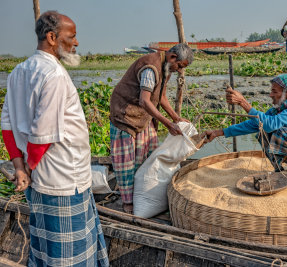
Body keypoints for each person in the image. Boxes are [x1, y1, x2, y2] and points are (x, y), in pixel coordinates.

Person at [1, 11, 109, 266]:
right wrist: (26, 168)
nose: (76, 42)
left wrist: (19, 168)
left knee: (44, 246)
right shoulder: (54, 76)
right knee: (69, 254)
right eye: (71, 36)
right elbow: (41, 135)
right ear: (52, 37)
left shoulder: (18, 71)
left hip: (39, 180)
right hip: (63, 182)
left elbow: (7, 125)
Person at [203, 74, 287, 183]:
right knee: (263, 133)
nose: (270, 95)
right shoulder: (280, 109)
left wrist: (243, 102)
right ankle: (281, 171)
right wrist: (217, 133)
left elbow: (270, 125)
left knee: (280, 132)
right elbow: (256, 124)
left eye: (274, 91)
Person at [109, 43, 194, 213]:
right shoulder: (151, 67)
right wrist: (167, 123)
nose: (179, 70)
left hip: (143, 117)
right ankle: (128, 203)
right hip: (126, 115)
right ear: (173, 57)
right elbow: (145, 101)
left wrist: (176, 118)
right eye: (180, 66)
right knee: (126, 163)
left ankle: (140, 195)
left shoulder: (166, 67)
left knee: (148, 157)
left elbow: (160, 95)